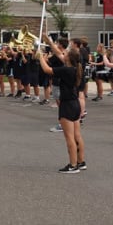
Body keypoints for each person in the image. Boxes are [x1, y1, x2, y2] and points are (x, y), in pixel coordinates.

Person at [40, 34, 86, 173]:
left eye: (65, 53)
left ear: (68, 58)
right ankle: (81, 161)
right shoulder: (76, 68)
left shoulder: (66, 70)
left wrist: (40, 57)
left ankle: (72, 165)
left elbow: (47, 70)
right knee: (77, 135)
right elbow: (59, 53)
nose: (63, 54)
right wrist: (49, 42)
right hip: (75, 104)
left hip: (67, 105)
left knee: (69, 138)